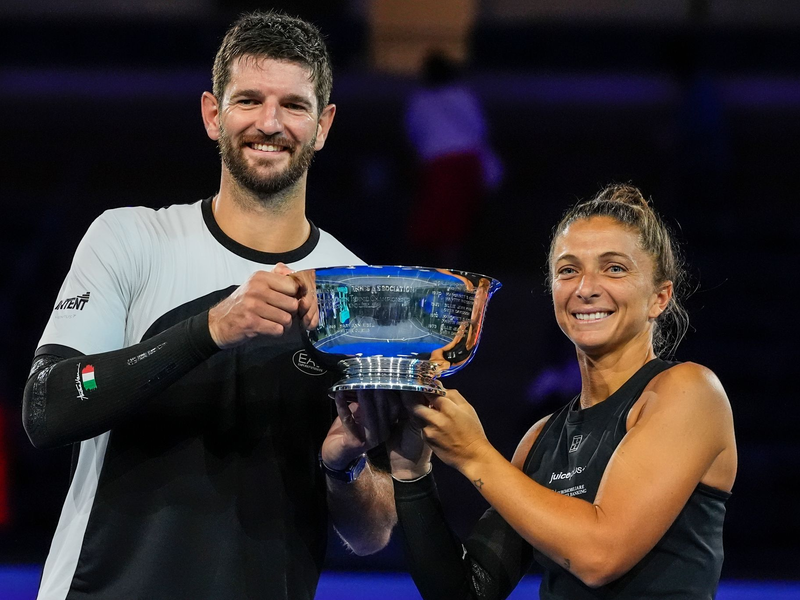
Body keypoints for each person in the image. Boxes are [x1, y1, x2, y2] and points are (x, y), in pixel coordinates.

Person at [22, 11, 397, 600]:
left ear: (323, 125)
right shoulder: (130, 239)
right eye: (248, 100)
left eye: (293, 105)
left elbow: (373, 533)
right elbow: (47, 405)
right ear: (212, 114)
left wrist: (342, 465)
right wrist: (211, 329)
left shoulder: (359, 291)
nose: (269, 123)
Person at [387, 184, 737, 599]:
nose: (585, 288)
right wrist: (410, 473)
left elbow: (600, 555)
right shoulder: (541, 438)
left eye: (614, 268)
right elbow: (468, 592)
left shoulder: (690, 392)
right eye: (568, 270)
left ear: (659, 298)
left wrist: (473, 453)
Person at [404, 52, 502, 267]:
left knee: (435, 221)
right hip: (465, 163)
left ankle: (438, 271)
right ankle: (450, 269)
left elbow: (413, 133)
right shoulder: (462, 95)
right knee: (455, 223)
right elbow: (481, 128)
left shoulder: (420, 100)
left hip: (439, 164)